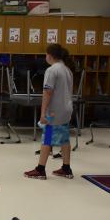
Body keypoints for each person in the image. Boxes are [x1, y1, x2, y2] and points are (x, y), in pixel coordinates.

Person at [25, 43, 75, 180]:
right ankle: (66, 168)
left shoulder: (52, 70)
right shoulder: (67, 70)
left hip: (54, 111)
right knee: (64, 138)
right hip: (66, 109)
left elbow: (48, 92)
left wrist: (43, 113)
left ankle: (40, 169)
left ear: (50, 55)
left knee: (47, 138)